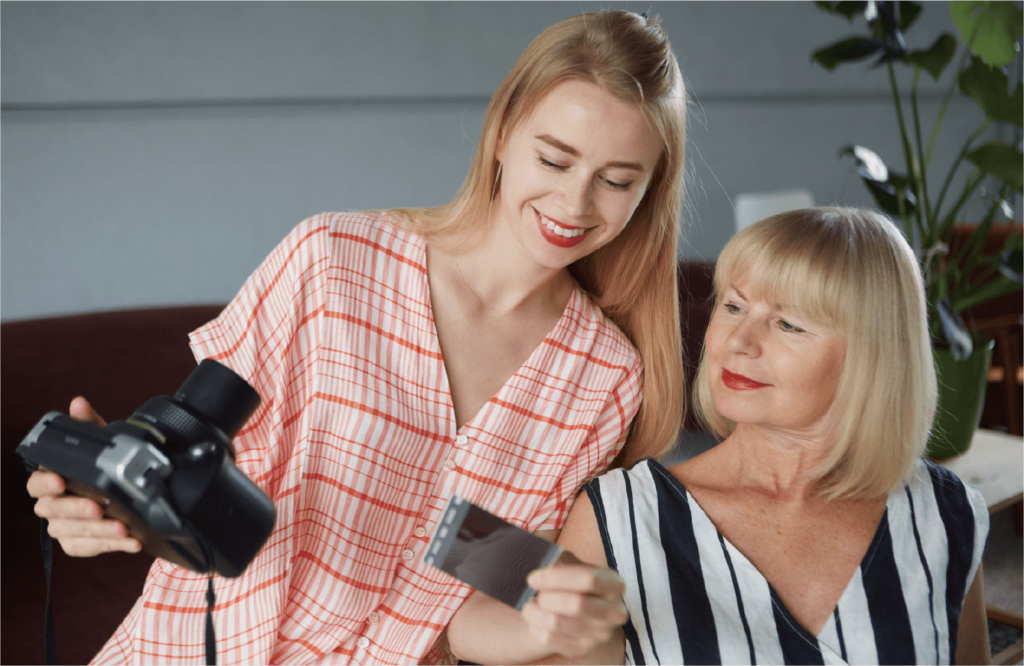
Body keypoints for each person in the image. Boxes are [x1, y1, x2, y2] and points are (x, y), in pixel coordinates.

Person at [26, 10, 688, 666]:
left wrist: (559, 628)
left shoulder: (603, 376)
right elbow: (185, 458)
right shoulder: (332, 260)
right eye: (554, 159)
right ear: (503, 134)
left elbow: (475, 599)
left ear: (649, 190)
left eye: (616, 181)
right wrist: (104, 507)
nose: (574, 205)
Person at [452, 207, 991, 665]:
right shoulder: (618, 513)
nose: (737, 341)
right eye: (732, 306)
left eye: (788, 324)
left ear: (874, 357)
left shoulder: (948, 513)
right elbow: (455, 558)